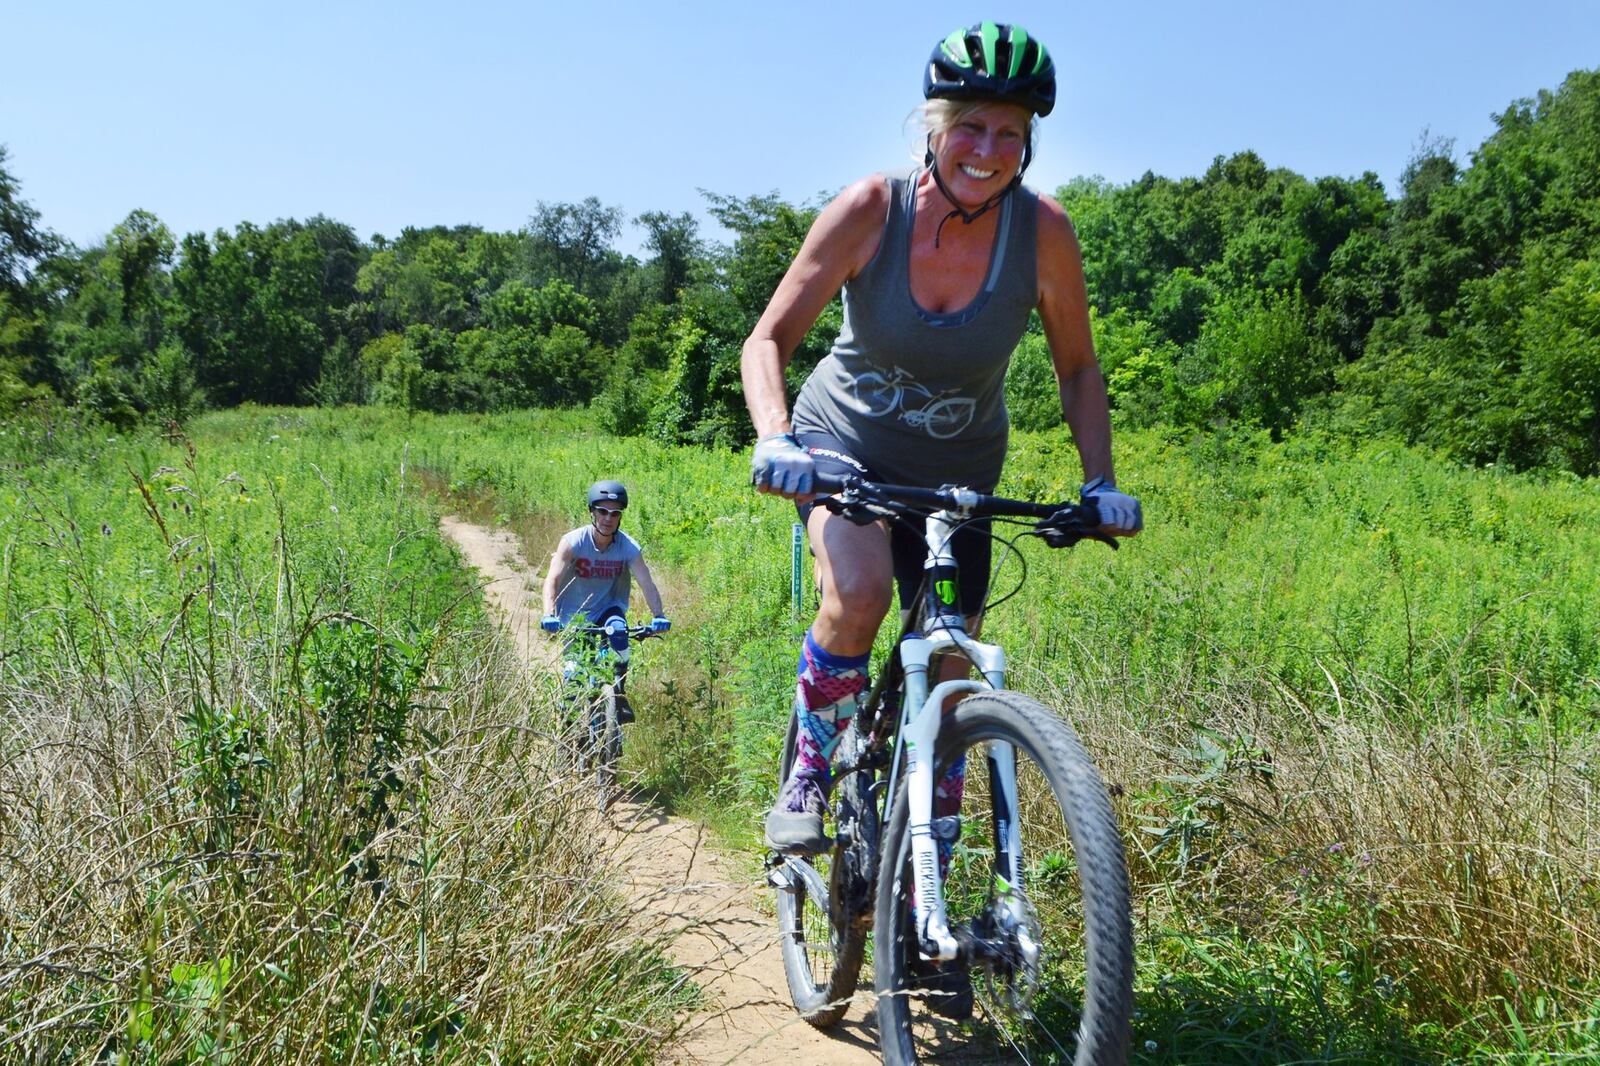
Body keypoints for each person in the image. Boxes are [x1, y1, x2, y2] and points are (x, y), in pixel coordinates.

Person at [742, 21, 1143, 856]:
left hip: (957, 471)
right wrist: (777, 440)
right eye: (970, 125)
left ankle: (927, 862)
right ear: (933, 125)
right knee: (858, 595)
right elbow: (767, 340)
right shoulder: (870, 211)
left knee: (952, 656)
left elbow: (1078, 369)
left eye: (1010, 133)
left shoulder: (1044, 234)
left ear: (1028, 143)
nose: (987, 149)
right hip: (840, 444)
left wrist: (1100, 481)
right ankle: (809, 774)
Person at [540, 480, 670, 723]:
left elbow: (646, 583)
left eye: (615, 513)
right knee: (574, 675)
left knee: (619, 632)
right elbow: (552, 579)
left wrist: (658, 615)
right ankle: (567, 731)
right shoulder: (573, 541)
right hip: (573, 614)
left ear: (620, 517)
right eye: (602, 511)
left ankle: (618, 694)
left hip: (608, 608)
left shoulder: (628, 547)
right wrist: (550, 614)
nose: (608, 518)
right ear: (592, 512)